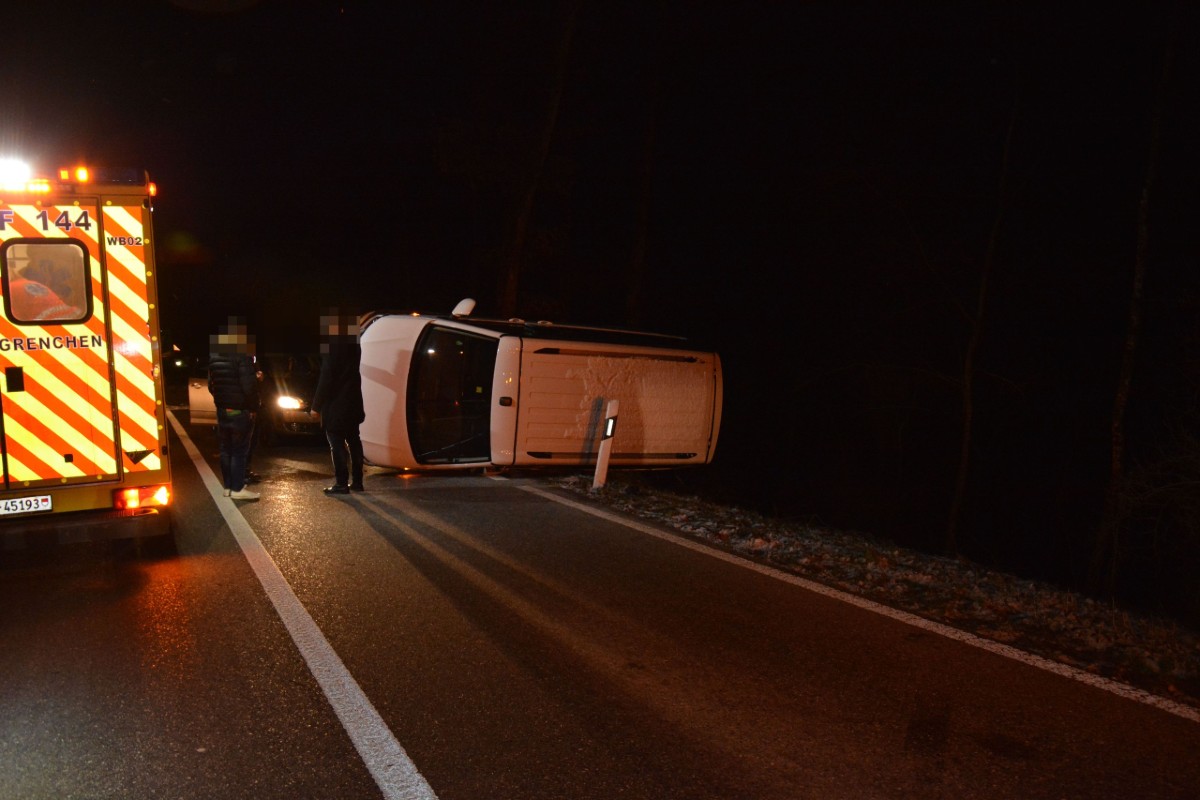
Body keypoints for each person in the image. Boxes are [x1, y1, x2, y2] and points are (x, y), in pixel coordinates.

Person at [311, 308, 364, 495]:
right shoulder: (354, 344)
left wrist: (316, 405)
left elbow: (326, 377)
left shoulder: (331, 346)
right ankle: (357, 481)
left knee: (336, 442)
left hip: (336, 404)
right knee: (354, 440)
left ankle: (341, 483)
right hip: (353, 401)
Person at [207, 316, 261, 501]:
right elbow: (249, 386)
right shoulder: (242, 356)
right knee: (239, 450)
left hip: (222, 410)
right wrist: (253, 407)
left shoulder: (214, 357)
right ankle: (238, 488)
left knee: (225, 449)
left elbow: (211, 385)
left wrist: (222, 400)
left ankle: (228, 487)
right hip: (240, 410)